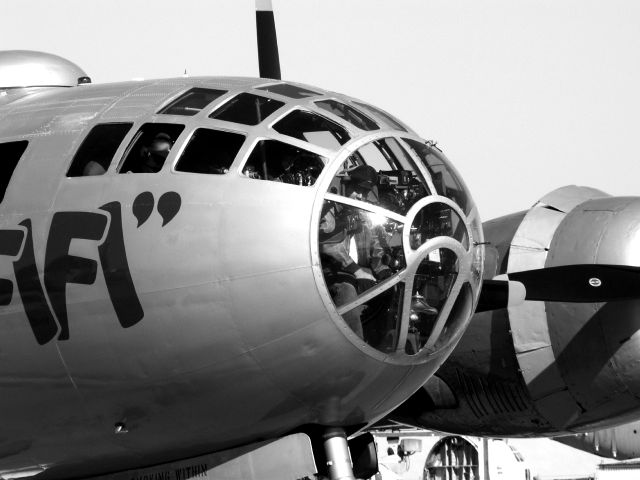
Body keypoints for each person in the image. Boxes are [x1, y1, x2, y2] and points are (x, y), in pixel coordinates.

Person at [319, 165, 392, 338]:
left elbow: (375, 244)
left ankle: (380, 341)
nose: (360, 196)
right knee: (347, 291)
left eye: (365, 192)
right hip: (331, 272)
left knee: (391, 289)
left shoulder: (361, 214)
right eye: (356, 190)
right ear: (346, 185)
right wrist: (357, 271)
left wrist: (383, 270)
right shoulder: (328, 211)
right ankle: (353, 344)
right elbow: (327, 245)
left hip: (357, 272)